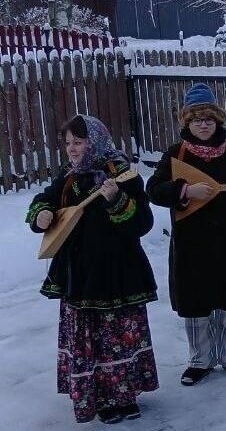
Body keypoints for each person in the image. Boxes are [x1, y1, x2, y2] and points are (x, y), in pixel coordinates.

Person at [26, 115, 158, 424]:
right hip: (81, 276)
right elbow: (43, 200)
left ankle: (126, 395)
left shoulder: (122, 174)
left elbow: (143, 222)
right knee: (93, 340)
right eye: (68, 143)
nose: (72, 148)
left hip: (119, 273)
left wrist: (116, 200)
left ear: (95, 142)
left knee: (121, 335)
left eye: (79, 142)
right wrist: (41, 214)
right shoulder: (69, 178)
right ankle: (100, 398)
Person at [146, 83, 226, 387]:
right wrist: (185, 190)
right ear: (186, 122)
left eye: (209, 119)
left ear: (217, 121)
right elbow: (154, 190)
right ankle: (199, 360)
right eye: (196, 119)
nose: (203, 125)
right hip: (192, 243)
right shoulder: (176, 154)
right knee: (197, 303)